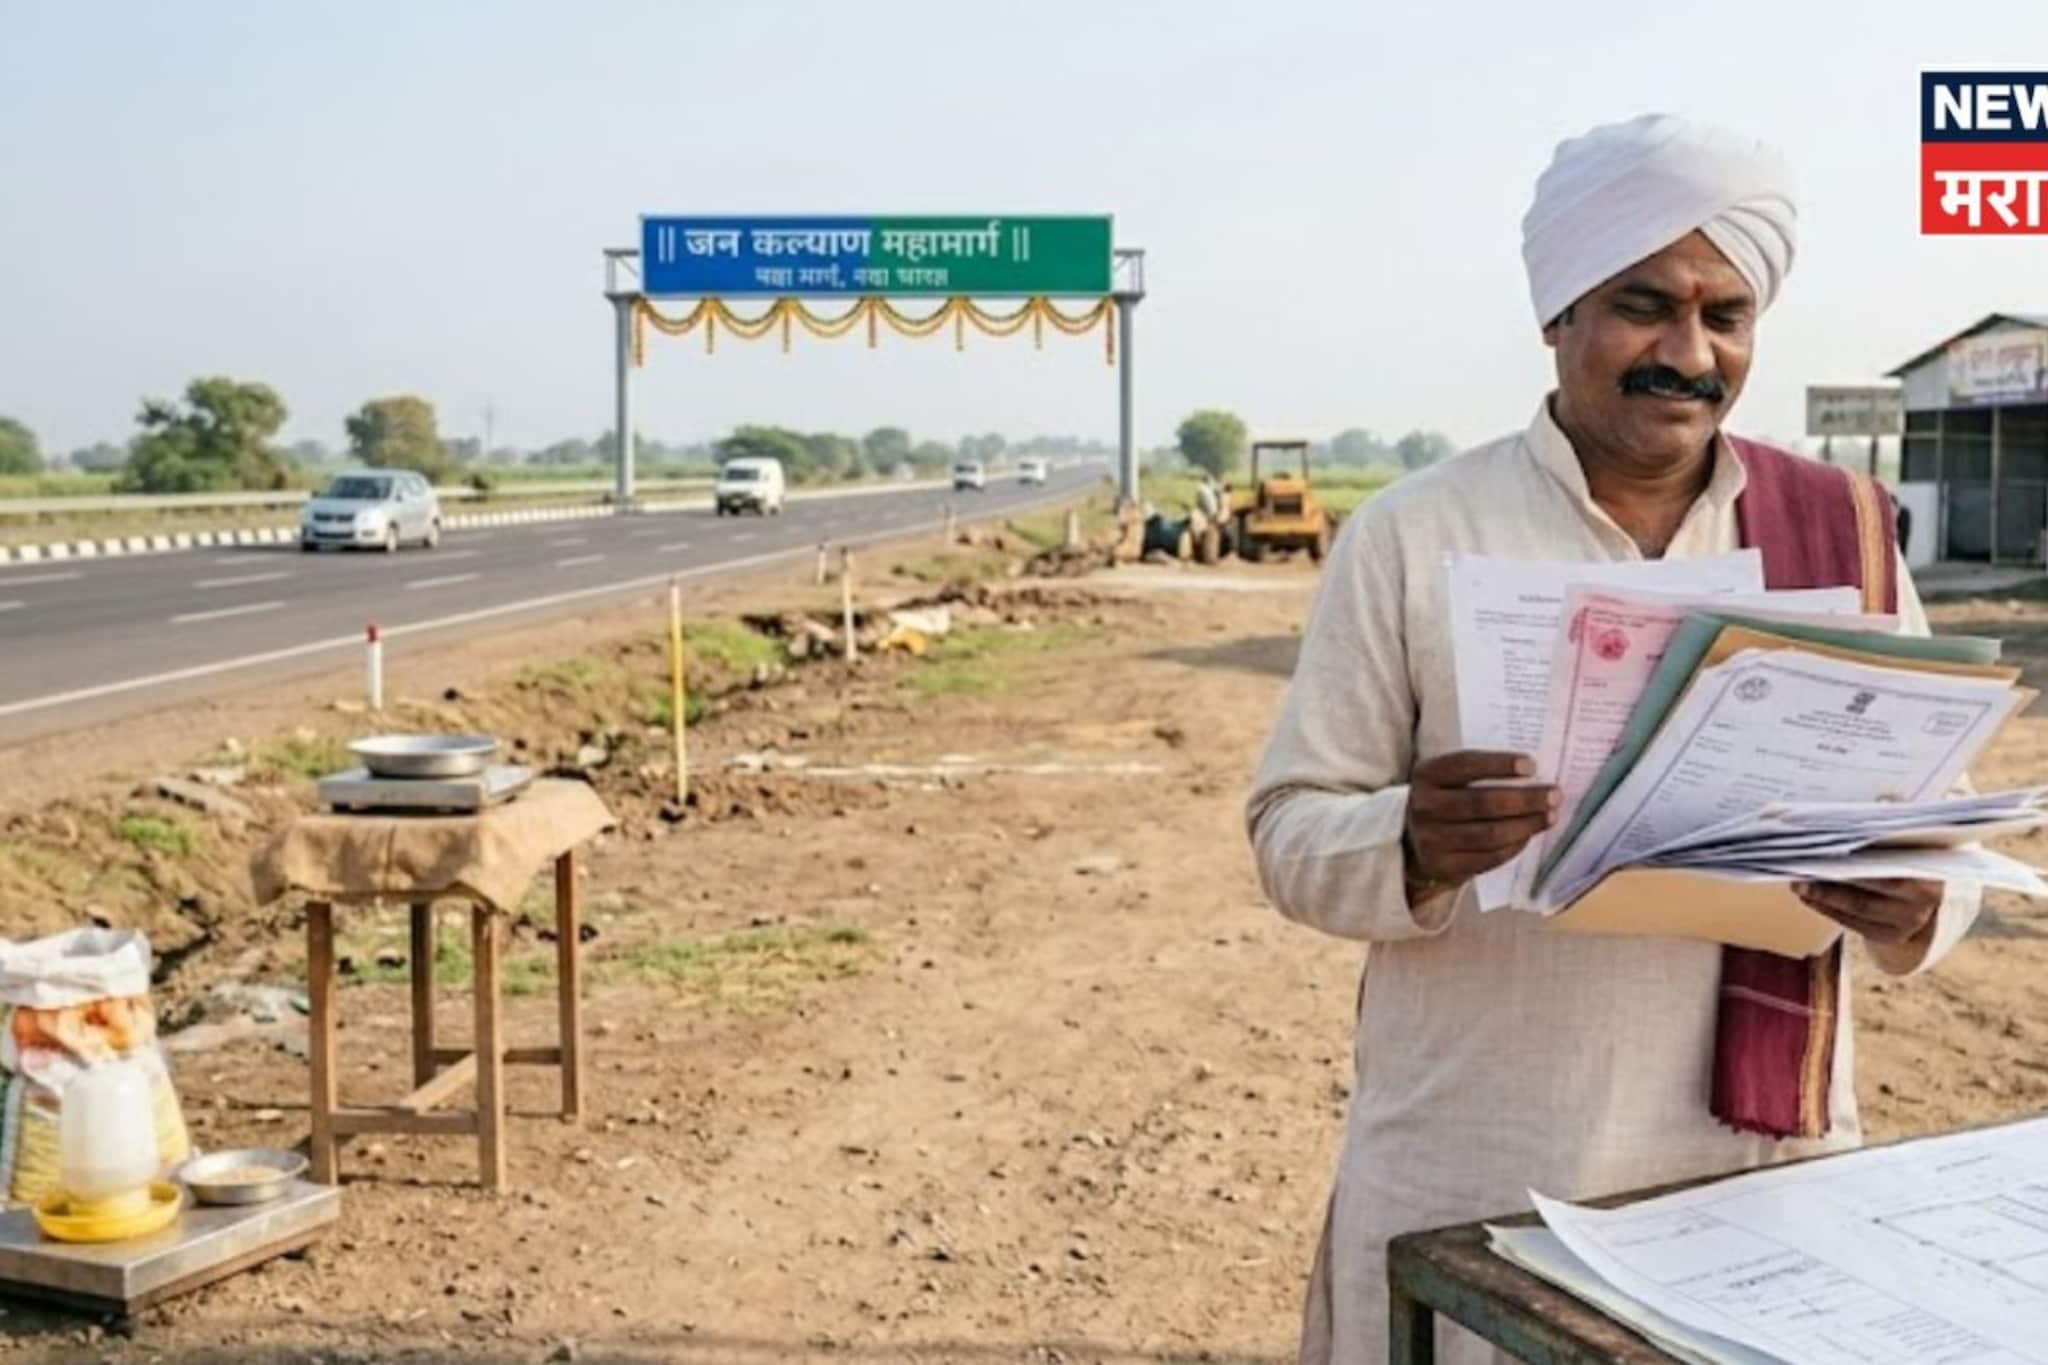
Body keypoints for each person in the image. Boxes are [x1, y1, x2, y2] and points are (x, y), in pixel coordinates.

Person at [1244, 113, 1980, 1365]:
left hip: (1756, 1166)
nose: (1688, 352)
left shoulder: (1841, 535)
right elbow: (1291, 833)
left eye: (1724, 315)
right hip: (1476, 1158)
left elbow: (1934, 823)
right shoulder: (1416, 535)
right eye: (1644, 305)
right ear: (1557, 314)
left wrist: (1916, 901)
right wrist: (1412, 843)